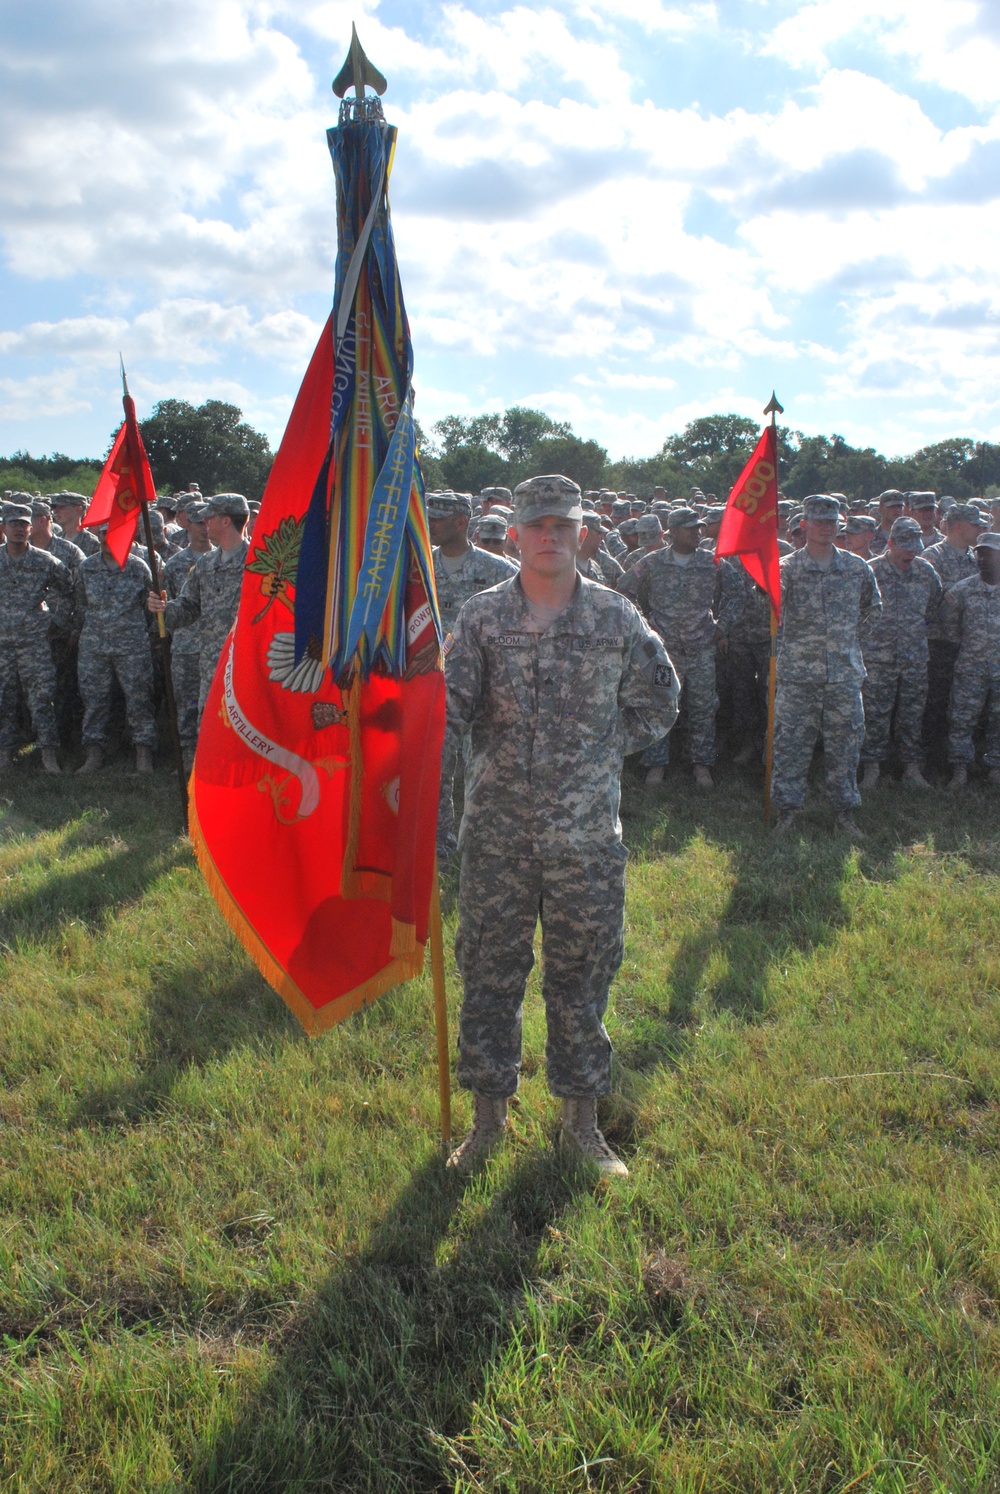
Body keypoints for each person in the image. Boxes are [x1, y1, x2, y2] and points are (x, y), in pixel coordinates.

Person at [443, 474, 679, 1177]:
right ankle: (488, 1122)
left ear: (583, 534)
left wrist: (603, 748)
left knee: (583, 977)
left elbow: (661, 700)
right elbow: (447, 711)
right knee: (489, 974)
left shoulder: (616, 617)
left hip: (584, 840)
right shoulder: (480, 618)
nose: (551, 535)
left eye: (565, 525)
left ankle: (582, 1123)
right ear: (513, 533)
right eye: (538, 523)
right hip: (496, 835)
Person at [770, 493, 881, 838]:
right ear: (804, 525)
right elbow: (771, 604)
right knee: (790, 746)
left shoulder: (856, 567)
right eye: (818, 521)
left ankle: (844, 815)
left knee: (845, 747)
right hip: (798, 675)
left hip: (844, 676)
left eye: (832, 522)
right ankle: (786, 812)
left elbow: (873, 608)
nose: (825, 528)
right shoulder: (787, 569)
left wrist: (848, 639)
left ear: (840, 526)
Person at [618, 506, 744, 790]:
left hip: (701, 648)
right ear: (672, 532)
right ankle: (657, 763)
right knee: (660, 703)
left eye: (698, 527)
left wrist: (722, 626)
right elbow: (624, 590)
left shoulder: (712, 562)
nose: (696, 533)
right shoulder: (652, 563)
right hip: (664, 651)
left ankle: (701, 764)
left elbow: (737, 594)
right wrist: (645, 626)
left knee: (703, 706)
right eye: (689, 528)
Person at [428, 489, 519, 859]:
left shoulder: (498, 570)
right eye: (429, 516)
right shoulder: (418, 567)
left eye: (438, 518)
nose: (430, 524)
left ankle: (487, 845)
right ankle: (442, 846)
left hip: (486, 688)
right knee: (437, 770)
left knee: (486, 772)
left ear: (462, 522)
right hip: (434, 687)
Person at [147, 492, 251, 721]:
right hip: (211, 665)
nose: (205, 523)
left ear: (226, 521)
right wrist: (163, 609)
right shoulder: (206, 563)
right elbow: (189, 606)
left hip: (247, 667)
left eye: (209, 517)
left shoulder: (258, 563)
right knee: (209, 727)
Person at [858, 517, 942, 789]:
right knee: (875, 715)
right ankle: (872, 769)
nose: (911, 552)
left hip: (914, 658)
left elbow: (933, 609)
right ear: (890, 543)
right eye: (904, 545)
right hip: (877, 659)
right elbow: (857, 611)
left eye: (914, 546)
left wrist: (917, 629)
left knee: (912, 715)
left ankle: (911, 769)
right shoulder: (870, 571)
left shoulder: (926, 572)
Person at [0, 500, 75, 773]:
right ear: (4, 528)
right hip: (2, 644)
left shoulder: (44, 561)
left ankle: (48, 755)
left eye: (24, 524)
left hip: (34, 643)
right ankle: (5, 755)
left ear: (32, 528)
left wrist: (57, 621)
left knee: (42, 699)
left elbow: (69, 590)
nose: (19, 529)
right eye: (13, 524)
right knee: (3, 699)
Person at [75, 525, 158, 774]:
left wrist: (133, 630)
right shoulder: (86, 567)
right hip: (94, 645)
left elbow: (149, 607)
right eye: (102, 534)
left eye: (112, 534)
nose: (106, 539)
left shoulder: (138, 568)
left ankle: (143, 754)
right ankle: (94, 753)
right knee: (94, 700)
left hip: (132, 645)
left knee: (139, 699)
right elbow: (80, 604)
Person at [921, 503, 987, 771]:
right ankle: (930, 758)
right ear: (959, 525)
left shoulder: (976, 559)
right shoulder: (932, 557)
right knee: (935, 702)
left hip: (970, 644)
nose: (980, 529)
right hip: (939, 643)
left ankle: (962, 759)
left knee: (963, 707)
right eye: (975, 524)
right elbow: (924, 605)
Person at [944, 531, 1000, 791]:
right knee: (962, 718)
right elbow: (945, 624)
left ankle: (995, 768)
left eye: (990, 554)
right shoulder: (963, 590)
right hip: (970, 668)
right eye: (980, 554)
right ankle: (960, 769)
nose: (983, 560)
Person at [161, 500, 212, 770]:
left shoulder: (223, 559)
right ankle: (188, 757)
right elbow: (168, 607)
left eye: (207, 521)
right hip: (186, 648)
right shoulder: (174, 565)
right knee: (189, 703)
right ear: (186, 525)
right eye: (198, 522)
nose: (204, 528)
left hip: (216, 647)